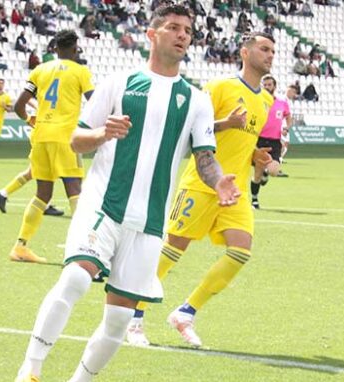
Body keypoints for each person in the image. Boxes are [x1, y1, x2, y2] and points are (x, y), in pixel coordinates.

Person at [13, 6, 239, 381]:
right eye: (173, 27)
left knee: (118, 319)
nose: (183, 35)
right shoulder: (119, 83)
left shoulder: (197, 100)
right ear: (152, 34)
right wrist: (103, 133)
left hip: (149, 222)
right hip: (104, 204)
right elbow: (76, 141)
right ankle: (31, 370)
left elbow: (206, 158)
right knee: (75, 279)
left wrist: (218, 182)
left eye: (188, 30)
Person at [126, 31, 275, 348]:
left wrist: (254, 155)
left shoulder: (266, 100)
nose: (270, 55)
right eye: (264, 49)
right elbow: (194, 129)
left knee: (240, 252)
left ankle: (185, 312)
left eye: (273, 50)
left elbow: (240, 142)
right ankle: (133, 316)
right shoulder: (220, 88)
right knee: (172, 250)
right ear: (245, 53)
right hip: (202, 183)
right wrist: (226, 123)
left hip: (235, 190)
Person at [4, 29, 94, 264]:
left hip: (41, 136)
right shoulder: (80, 71)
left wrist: (29, 120)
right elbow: (95, 102)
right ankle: (82, 251)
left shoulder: (39, 70)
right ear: (75, 49)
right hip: (66, 138)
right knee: (75, 190)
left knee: (42, 193)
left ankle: (20, 246)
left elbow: (19, 106)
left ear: (55, 49)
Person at [250, 74, 291, 209]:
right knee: (257, 171)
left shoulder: (281, 102)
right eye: (265, 85)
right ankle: (254, 200)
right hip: (259, 139)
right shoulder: (256, 100)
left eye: (269, 85)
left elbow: (288, 116)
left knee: (274, 170)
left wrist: (286, 127)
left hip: (274, 141)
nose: (267, 87)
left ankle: (266, 173)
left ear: (274, 86)